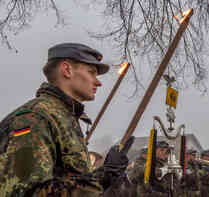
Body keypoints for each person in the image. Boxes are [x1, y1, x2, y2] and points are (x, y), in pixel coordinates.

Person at [0, 43, 134, 197]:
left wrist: (109, 178)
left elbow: (67, 179)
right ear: (67, 70)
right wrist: (103, 178)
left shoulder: (64, 118)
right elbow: (26, 192)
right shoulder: (34, 118)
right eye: (91, 73)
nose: (98, 82)